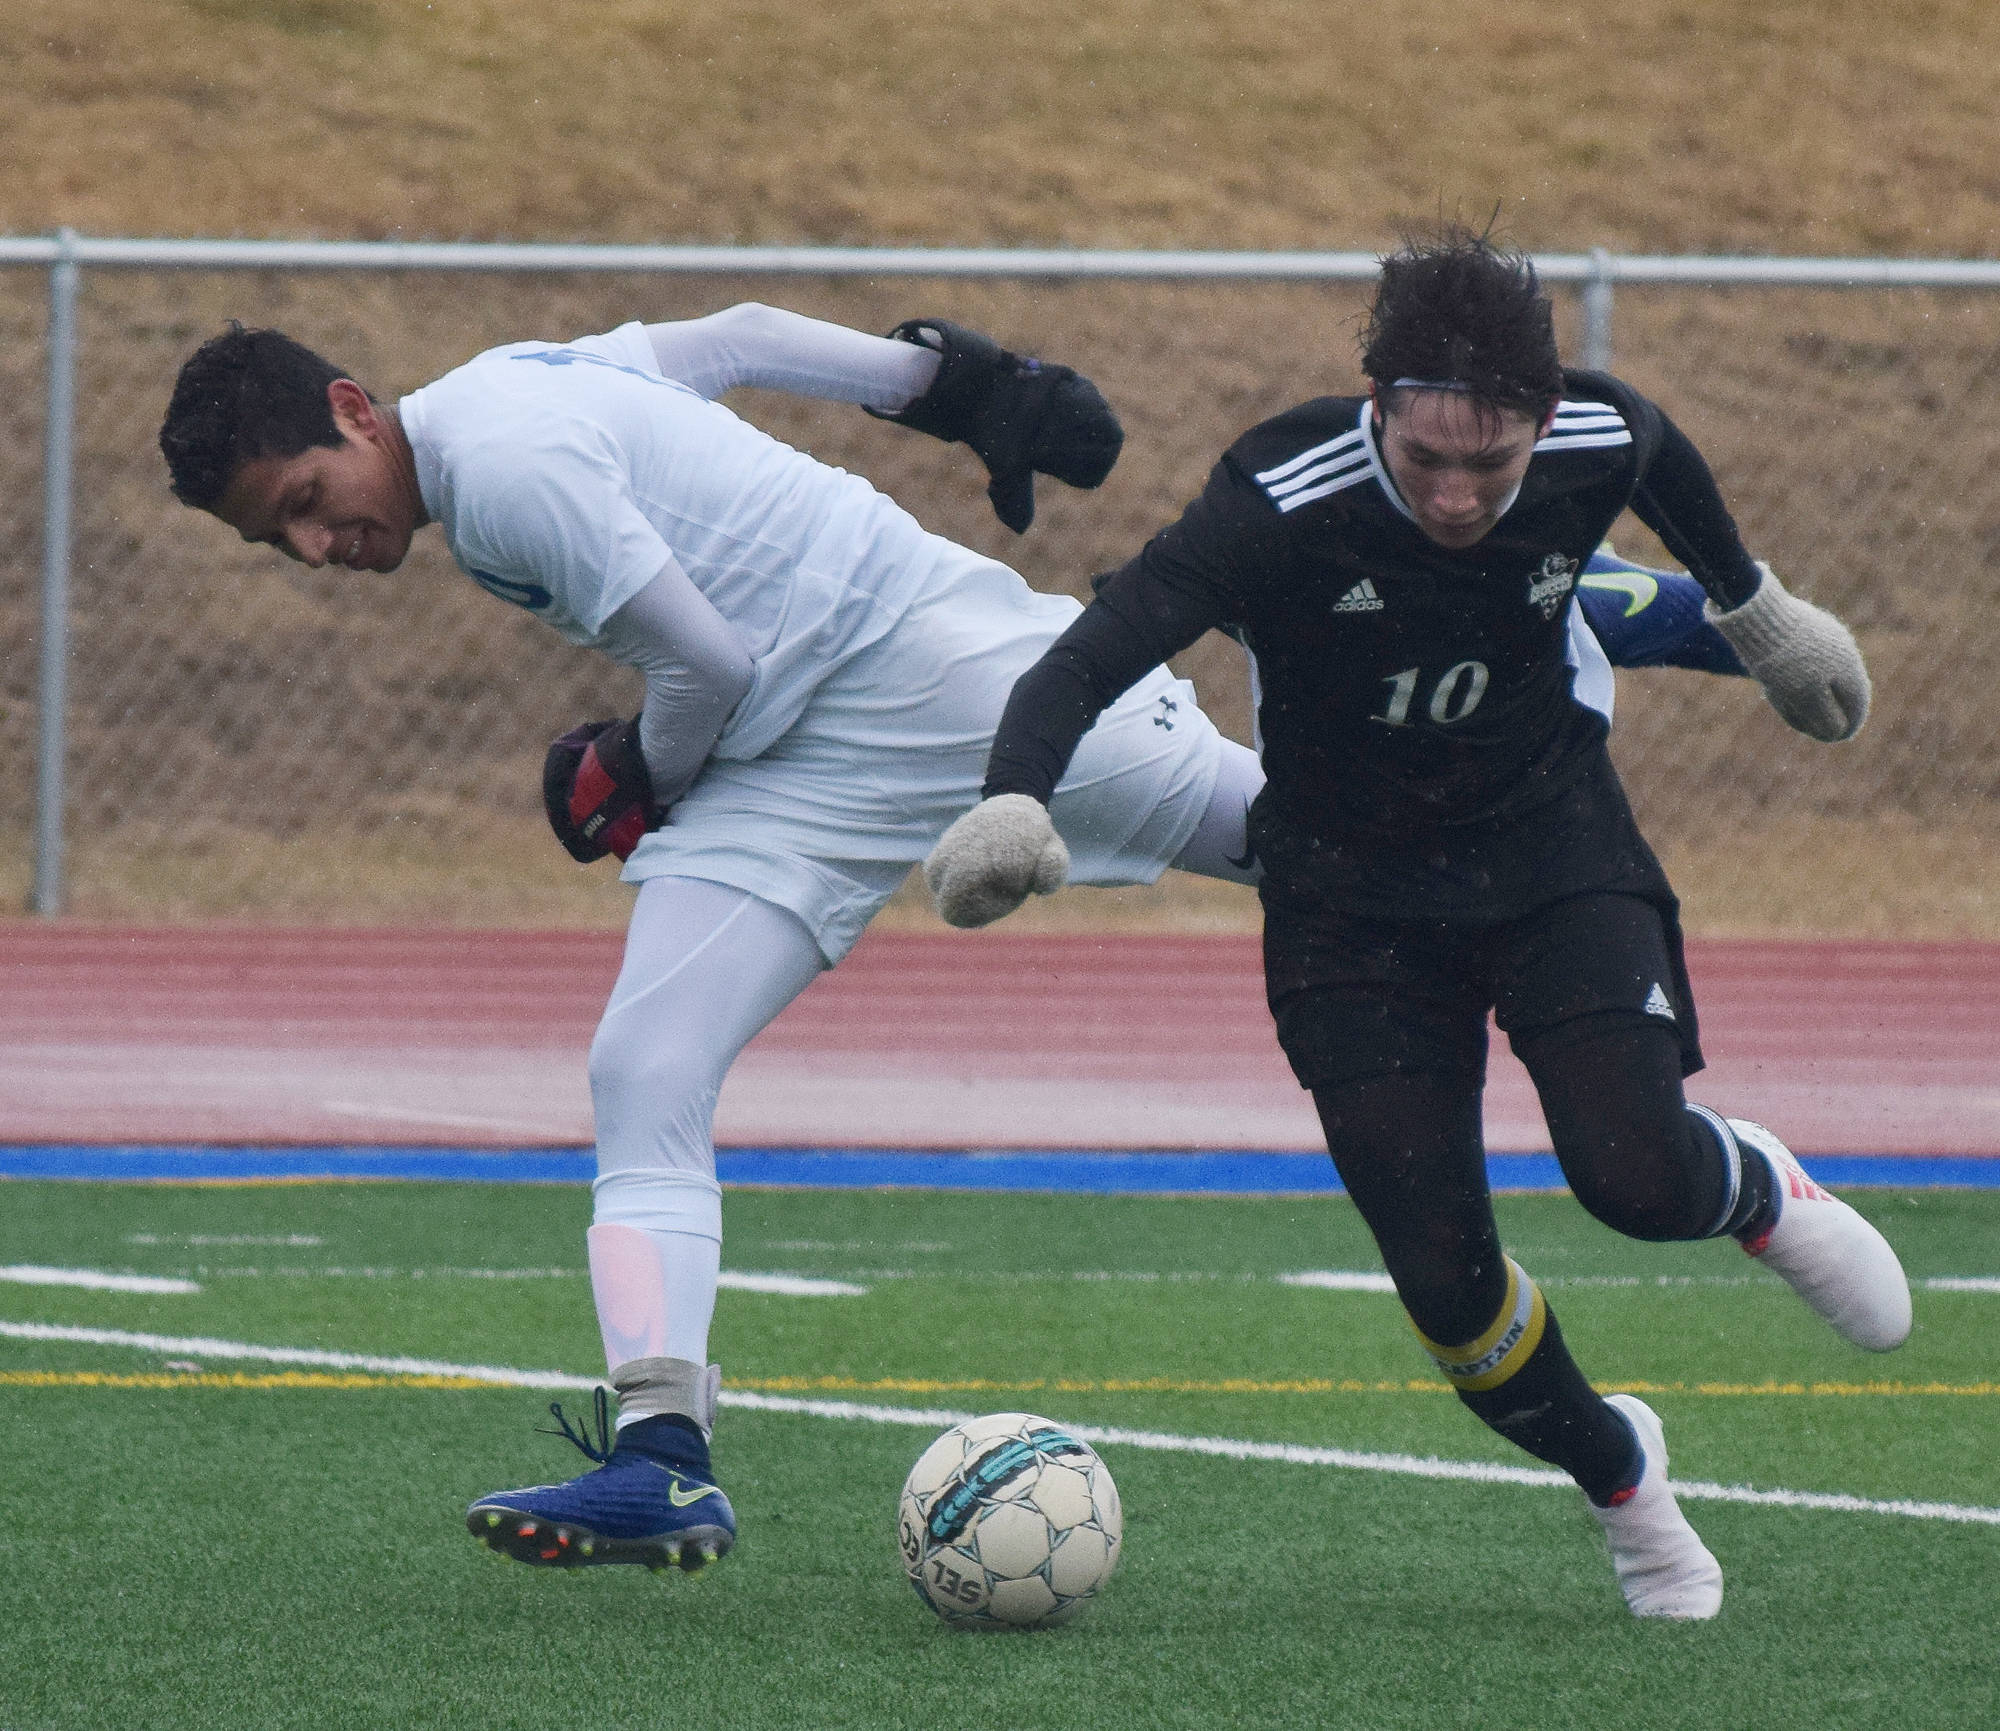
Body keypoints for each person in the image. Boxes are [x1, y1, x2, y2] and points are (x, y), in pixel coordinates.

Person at [159, 297, 1754, 1586]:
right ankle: (663, 1453)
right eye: (276, 541)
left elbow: (703, 664)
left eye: (309, 501)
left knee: (1314, 839)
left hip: (926, 663)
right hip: (795, 756)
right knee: (644, 1058)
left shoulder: (502, 463)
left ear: (357, 412)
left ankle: (1567, 607)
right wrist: (935, 382)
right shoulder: (494, 393)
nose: (318, 546)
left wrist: (636, 771)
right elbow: (721, 341)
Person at [925, 232, 1912, 1622]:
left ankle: (1752, 1188)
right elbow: (1087, 656)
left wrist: (1755, 608)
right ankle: (1625, 1478)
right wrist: (1016, 802)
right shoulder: (1276, 496)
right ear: (1376, 402)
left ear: (1541, 420)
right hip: (1348, 901)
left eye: (1490, 465)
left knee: (1633, 1178)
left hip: (1551, 848)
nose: (1456, 493)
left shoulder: (1594, 434)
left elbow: (1660, 457)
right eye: (1425, 455)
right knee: (1446, 1290)